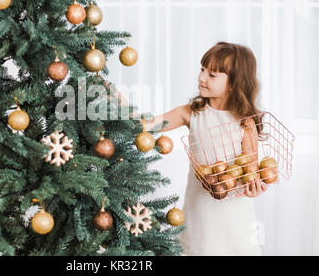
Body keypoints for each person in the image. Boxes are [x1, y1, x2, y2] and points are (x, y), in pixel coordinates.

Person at [114, 41, 267, 255]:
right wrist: (119, 101)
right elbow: (146, 126)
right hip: (199, 209)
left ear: (234, 83)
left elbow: (250, 169)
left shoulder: (245, 122)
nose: (202, 78)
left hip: (234, 213)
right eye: (202, 70)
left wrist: (254, 186)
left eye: (212, 75)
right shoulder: (191, 113)